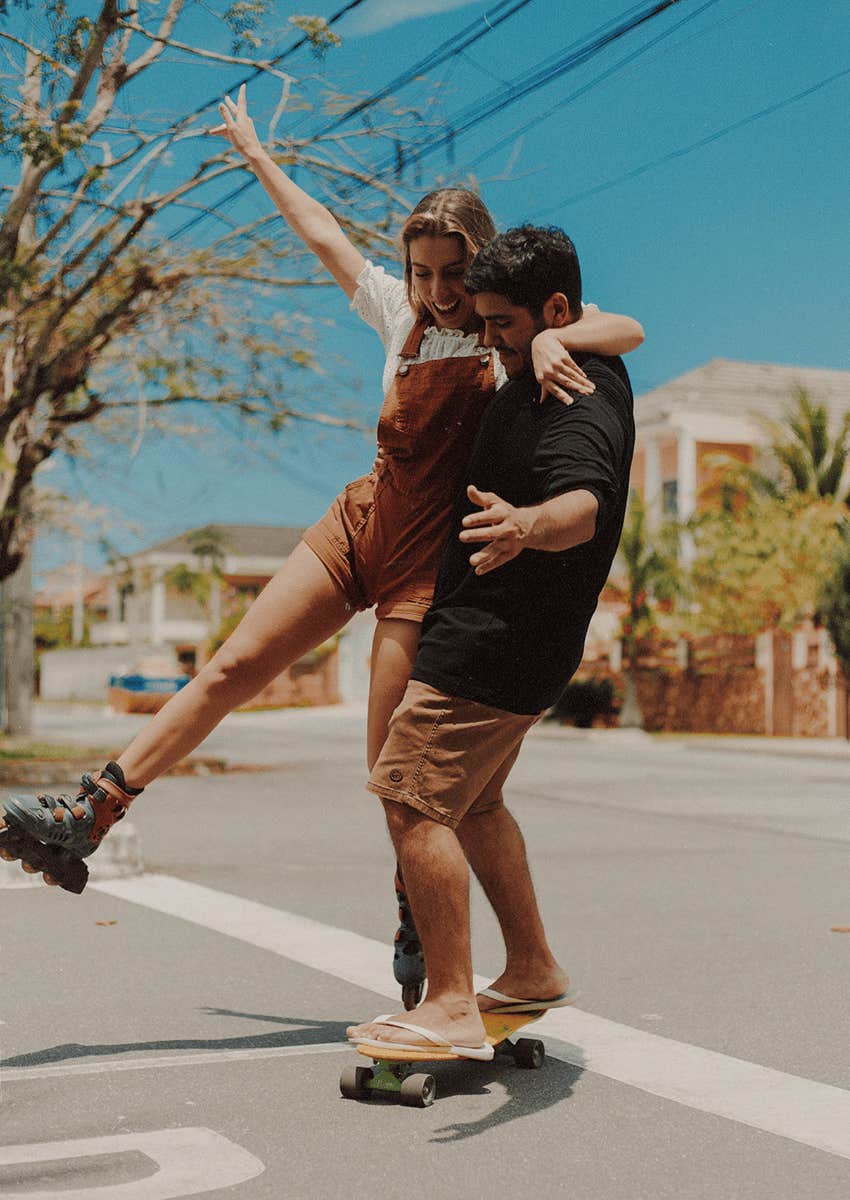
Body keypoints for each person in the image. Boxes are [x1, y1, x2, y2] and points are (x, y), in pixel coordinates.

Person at [0, 88, 642, 917]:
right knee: (234, 664)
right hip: (362, 520)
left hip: (426, 562)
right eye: (422, 272)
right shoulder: (397, 316)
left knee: (390, 769)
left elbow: (626, 327)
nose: (439, 292)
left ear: (480, 268)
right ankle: (95, 807)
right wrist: (261, 159)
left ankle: (416, 916)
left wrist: (558, 334)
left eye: (453, 273)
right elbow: (322, 234)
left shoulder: (504, 333)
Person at [347, 224, 635, 1060]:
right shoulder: (553, 354)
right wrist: (545, 339)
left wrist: (525, 525)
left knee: (412, 796)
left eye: (501, 324)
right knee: (475, 804)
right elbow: (622, 325)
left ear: (552, 309)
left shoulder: (573, 389)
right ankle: (534, 968)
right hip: (517, 644)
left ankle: (447, 1005)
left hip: (492, 643)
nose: (488, 338)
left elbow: (581, 503)